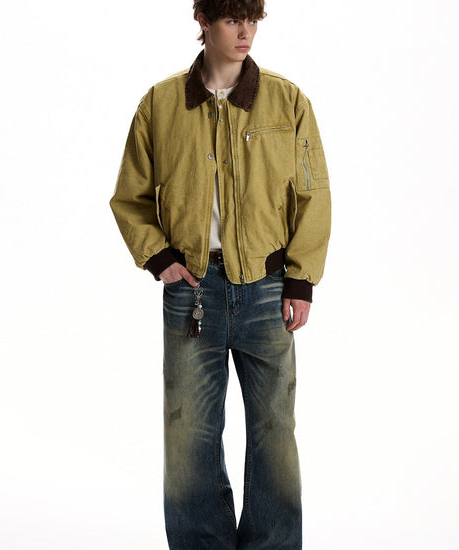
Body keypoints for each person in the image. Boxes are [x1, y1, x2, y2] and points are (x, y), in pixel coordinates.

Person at [109, 0, 331, 547]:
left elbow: (313, 194)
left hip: (268, 290)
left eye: (253, 19)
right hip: (192, 293)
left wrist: (301, 280)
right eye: (233, 19)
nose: (246, 31)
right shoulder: (161, 105)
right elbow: (130, 197)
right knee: (189, 435)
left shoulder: (287, 101)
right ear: (203, 22)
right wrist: (160, 258)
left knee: (274, 433)